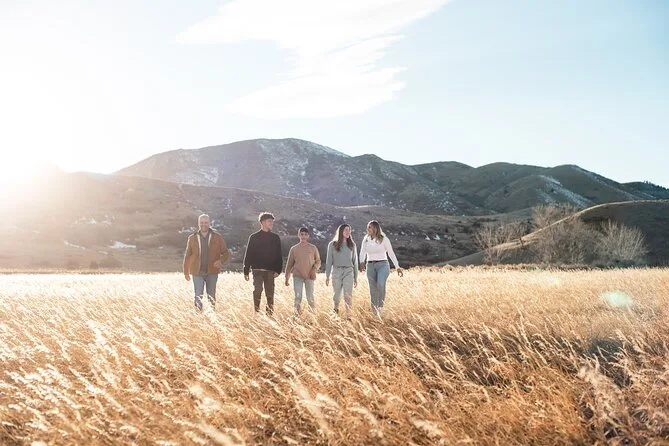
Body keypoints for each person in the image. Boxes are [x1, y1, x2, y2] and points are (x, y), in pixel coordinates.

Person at [183, 214, 230, 311]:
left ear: (209, 223)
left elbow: (226, 253)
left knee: (211, 296)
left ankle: (212, 315)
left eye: (205, 222)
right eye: (201, 222)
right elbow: (187, 255)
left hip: (212, 272)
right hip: (197, 272)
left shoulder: (217, 237)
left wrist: (220, 261)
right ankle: (198, 316)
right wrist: (186, 271)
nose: (203, 224)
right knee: (198, 296)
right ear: (198, 223)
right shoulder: (192, 238)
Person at [358, 220, 403, 317]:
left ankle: (380, 307)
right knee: (372, 289)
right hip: (370, 265)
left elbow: (391, 253)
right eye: (368, 227)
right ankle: (375, 312)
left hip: (383, 265)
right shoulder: (366, 239)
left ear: (375, 228)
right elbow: (362, 252)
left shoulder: (384, 239)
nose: (368, 229)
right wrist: (361, 262)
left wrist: (397, 267)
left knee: (380, 283)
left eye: (370, 227)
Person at [243, 212, 283, 315]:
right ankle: (256, 313)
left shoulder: (275, 238)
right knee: (257, 290)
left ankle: (269, 315)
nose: (271, 223)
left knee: (270, 293)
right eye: (269, 221)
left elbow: (279, 255)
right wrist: (246, 270)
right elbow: (248, 254)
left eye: (272, 221)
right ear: (262, 222)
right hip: (257, 270)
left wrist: (278, 270)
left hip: (270, 271)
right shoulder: (253, 237)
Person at [284, 227, 321, 314]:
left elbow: (318, 261)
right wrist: (287, 278)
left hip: (309, 276)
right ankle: (296, 315)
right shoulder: (294, 249)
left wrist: (314, 269)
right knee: (298, 296)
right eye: (301, 234)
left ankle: (312, 316)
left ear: (308, 236)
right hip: (297, 276)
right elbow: (289, 264)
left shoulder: (313, 248)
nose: (303, 236)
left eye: (305, 234)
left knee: (310, 297)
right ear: (298, 235)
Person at [325, 224, 358, 318]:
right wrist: (327, 275)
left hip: (348, 271)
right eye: (346, 230)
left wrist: (355, 277)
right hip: (336, 271)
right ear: (341, 231)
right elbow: (329, 261)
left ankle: (348, 316)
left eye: (349, 230)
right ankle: (335, 310)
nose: (348, 232)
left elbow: (355, 261)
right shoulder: (332, 245)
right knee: (337, 295)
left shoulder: (352, 245)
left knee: (348, 295)